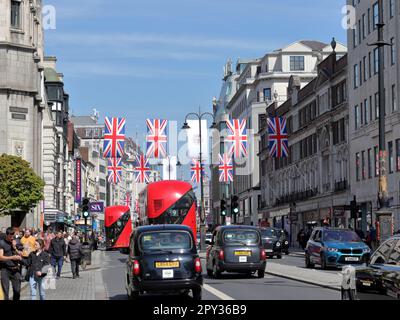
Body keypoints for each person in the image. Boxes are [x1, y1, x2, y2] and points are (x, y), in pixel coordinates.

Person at [0, 228, 23, 300]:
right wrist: (12, 257)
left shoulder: (16, 241)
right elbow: (0, 257)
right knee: (5, 292)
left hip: (15, 269)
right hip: (5, 269)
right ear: (7, 235)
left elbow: (21, 254)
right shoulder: (2, 243)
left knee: (17, 291)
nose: (12, 238)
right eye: (11, 236)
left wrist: (15, 247)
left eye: (13, 236)